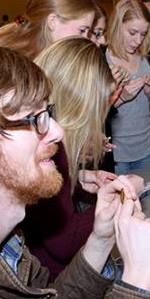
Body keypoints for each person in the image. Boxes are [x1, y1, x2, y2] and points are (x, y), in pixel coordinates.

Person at [0, 42, 150, 299]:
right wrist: (136, 285)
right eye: (34, 119)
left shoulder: (5, 243)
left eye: (48, 114)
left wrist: (100, 239)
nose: (58, 132)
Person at [22, 37, 118, 280]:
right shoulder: (48, 149)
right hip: (50, 284)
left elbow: (56, 199)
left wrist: (79, 177)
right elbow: (65, 240)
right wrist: (115, 202)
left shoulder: (43, 142)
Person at [105, 0, 150, 175]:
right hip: (115, 152)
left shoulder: (147, 59)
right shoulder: (101, 60)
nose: (138, 40)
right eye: (132, 32)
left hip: (145, 147)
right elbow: (93, 115)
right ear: (117, 26)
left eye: (143, 34)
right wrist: (122, 99)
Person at [0, 0, 98, 60]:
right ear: (53, 22)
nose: (87, 39)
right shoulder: (15, 64)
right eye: (82, 30)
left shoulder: (56, 57)